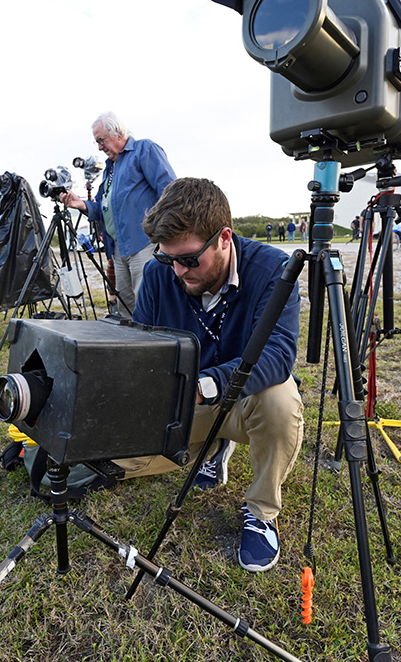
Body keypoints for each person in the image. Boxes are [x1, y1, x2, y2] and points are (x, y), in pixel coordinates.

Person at [94, 177, 304, 573]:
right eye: (166, 258)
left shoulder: (273, 269)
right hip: (184, 399)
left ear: (224, 238)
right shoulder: (160, 276)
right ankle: (212, 448)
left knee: (281, 400)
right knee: (113, 454)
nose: (177, 271)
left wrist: (205, 387)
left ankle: (260, 511)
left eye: (189, 259)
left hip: (241, 398)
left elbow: (278, 355)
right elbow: (145, 346)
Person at [61, 111, 175, 318]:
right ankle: (130, 348)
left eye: (101, 140)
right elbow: (103, 209)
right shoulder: (110, 168)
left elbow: (170, 191)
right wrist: (82, 205)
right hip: (118, 248)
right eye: (97, 142)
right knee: (125, 304)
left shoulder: (143, 150)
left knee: (148, 302)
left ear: (117, 132)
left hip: (144, 243)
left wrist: (163, 235)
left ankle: (154, 348)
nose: (99, 147)